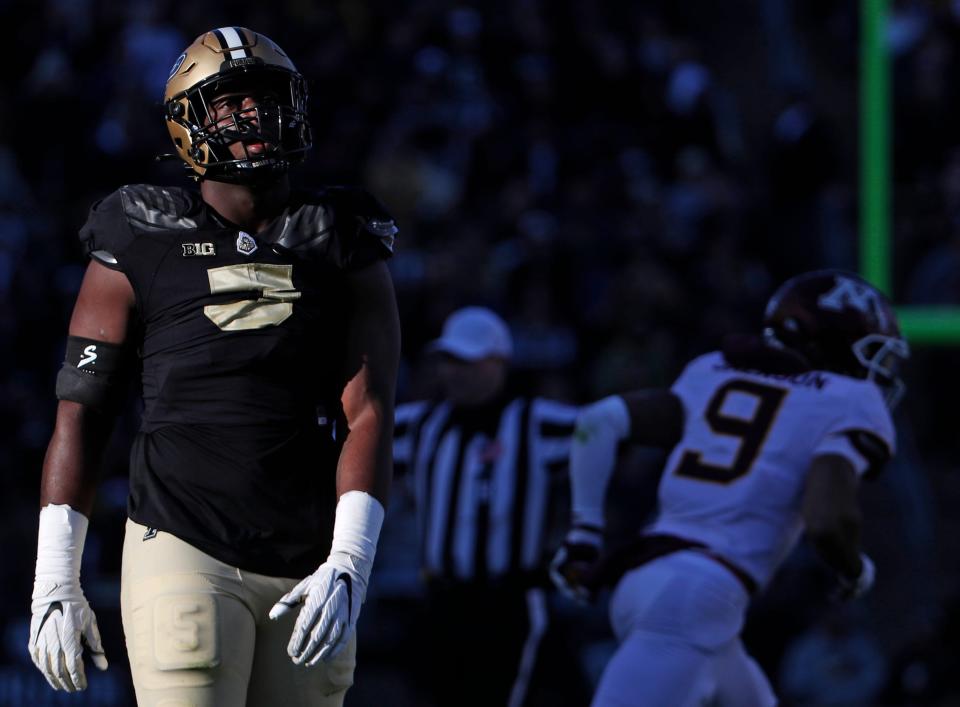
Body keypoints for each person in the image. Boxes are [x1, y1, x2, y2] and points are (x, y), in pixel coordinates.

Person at [27, 27, 400, 707]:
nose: (253, 118)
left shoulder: (340, 234)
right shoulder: (139, 229)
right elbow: (83, 408)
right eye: (230, 105)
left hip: (309, 554)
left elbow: (369, 410)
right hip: (181, 535)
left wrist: (351, 558)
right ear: (190, 125)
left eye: (263, 98)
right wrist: (55, 573)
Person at [551, 270, 909, 706]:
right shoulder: (848, 400)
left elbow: (597, 422)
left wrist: (584, 535)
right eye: (870, 352)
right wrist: (854, 569)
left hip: (651, 581)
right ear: (831, 344)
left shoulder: (713, 370)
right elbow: (827, 519)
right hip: (697, 597)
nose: (877, 371)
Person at [393, 306, 588, 706]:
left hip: (508, 604)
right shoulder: (421, 425)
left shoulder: (534, 422)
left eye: (467, 361)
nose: (454, 372)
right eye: (448, 360)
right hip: (441, 601)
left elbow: (609, 429)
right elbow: (352, 435)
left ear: (499, 363)